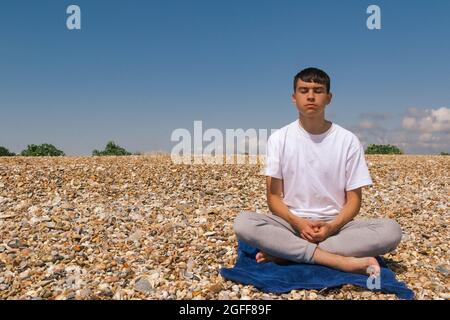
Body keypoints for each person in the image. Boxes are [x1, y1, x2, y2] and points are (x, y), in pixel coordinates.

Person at [233, 67, 402, 276]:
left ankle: (288, 253)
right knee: (244, 223)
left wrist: (331, 227)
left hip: (336, 228)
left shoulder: (347, 140)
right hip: (291, 225)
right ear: (294, 97)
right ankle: (335, 260)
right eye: (304, 90)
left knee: (391, 231)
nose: (311, 96)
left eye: (318, 90)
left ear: (329, 98)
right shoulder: (279, 139)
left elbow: (354, 201)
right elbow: (274, 197)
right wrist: (298, 222)